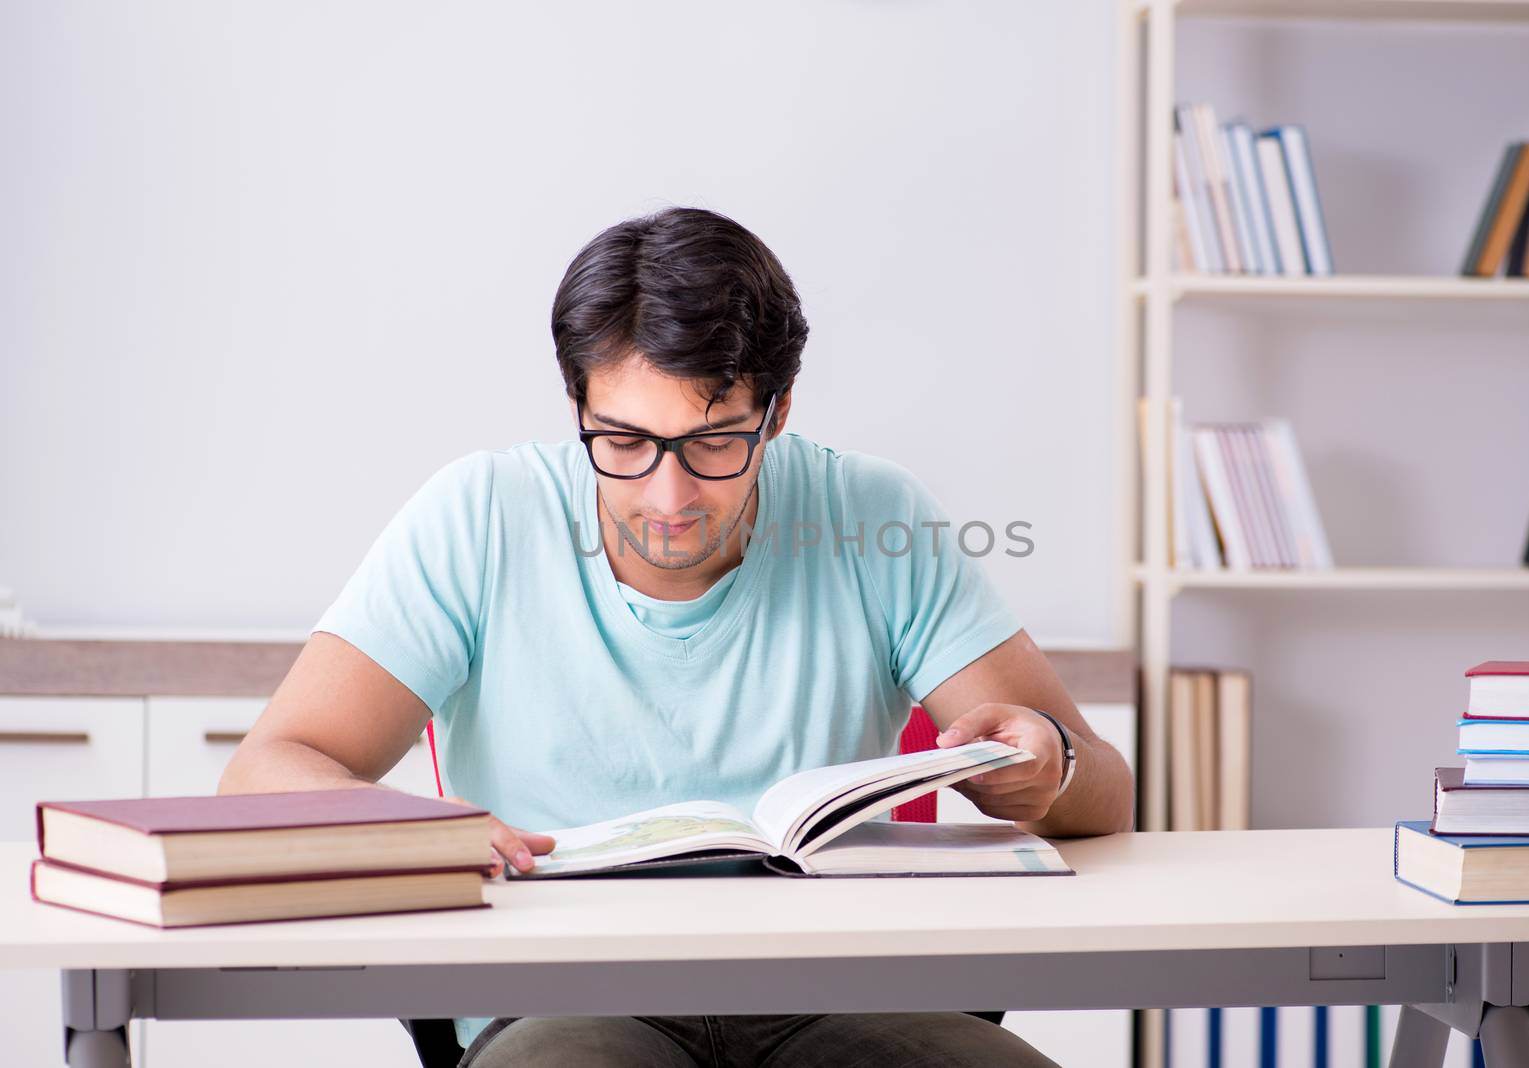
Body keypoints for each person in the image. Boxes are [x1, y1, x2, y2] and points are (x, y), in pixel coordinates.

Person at [220, 206, 1134, 1067]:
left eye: (713, 443)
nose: (667, 498)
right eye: (621, 441)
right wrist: (417, 831)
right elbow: (265, 770)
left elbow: (1103, 793)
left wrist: (1046, 765)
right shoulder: (482, 515)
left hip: (840, 991)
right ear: (576, 404)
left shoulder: (869, 515)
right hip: (563, 998)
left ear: (777, 411)